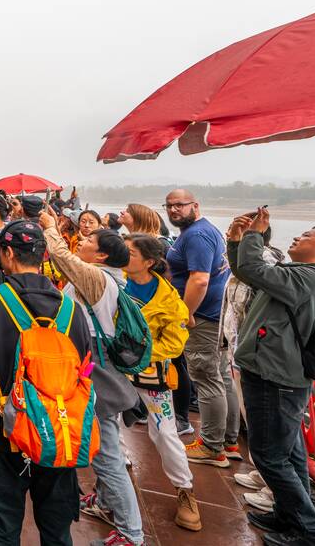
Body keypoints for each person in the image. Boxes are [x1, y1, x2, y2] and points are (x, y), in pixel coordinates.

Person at [0, 219, 93, 546]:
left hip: (9, 431)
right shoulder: (71, 309)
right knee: (57, 531)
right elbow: (84, 369)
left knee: (4, 527)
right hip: (59, 431)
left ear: (7, 254)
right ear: (44, 254)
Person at [229, 209, 315, 546]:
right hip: (275, 370)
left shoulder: (314, 278)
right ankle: (289, 515)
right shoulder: (302, 274)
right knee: (290, 452)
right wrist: (238, 241)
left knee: (269, 455)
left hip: (276, 374)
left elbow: (254, 269)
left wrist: (255, 234)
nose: (298, 237)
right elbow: (248, 272)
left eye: (307, 235)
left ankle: (309, 530)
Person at [38, 209, 150, 546]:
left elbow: (60, 256)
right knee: (103, 439)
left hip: (94, 372)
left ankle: (131, 533)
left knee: (107, 455)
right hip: (96, 367)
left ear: (101, 255)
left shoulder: (96, 278)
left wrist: (51, 228)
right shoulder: (109, 278)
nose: (81, 241)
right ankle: (104, 501)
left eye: (88, 240)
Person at [121, 232, 202, 532]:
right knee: (108, 422)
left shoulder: (169, 300)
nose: (123, 256)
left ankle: (185, 490)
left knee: (165, 433)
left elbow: (175, 344)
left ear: (149, 262)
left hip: (150, 373)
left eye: (130, 253)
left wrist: (137, 353)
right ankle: (118, 471)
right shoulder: (115, 283)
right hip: (114, 370)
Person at [163, 189, 238, 465]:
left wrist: (186, 313)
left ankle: (211, 446)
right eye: (169, 206)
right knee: (220, 376)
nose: (173, 210)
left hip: (203, 317)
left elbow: (200, 280)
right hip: (214, 315)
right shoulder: (201, 231)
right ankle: (228, 441)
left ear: (195, 205)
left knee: (206, 377)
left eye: (179, 205)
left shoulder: (197, 235)